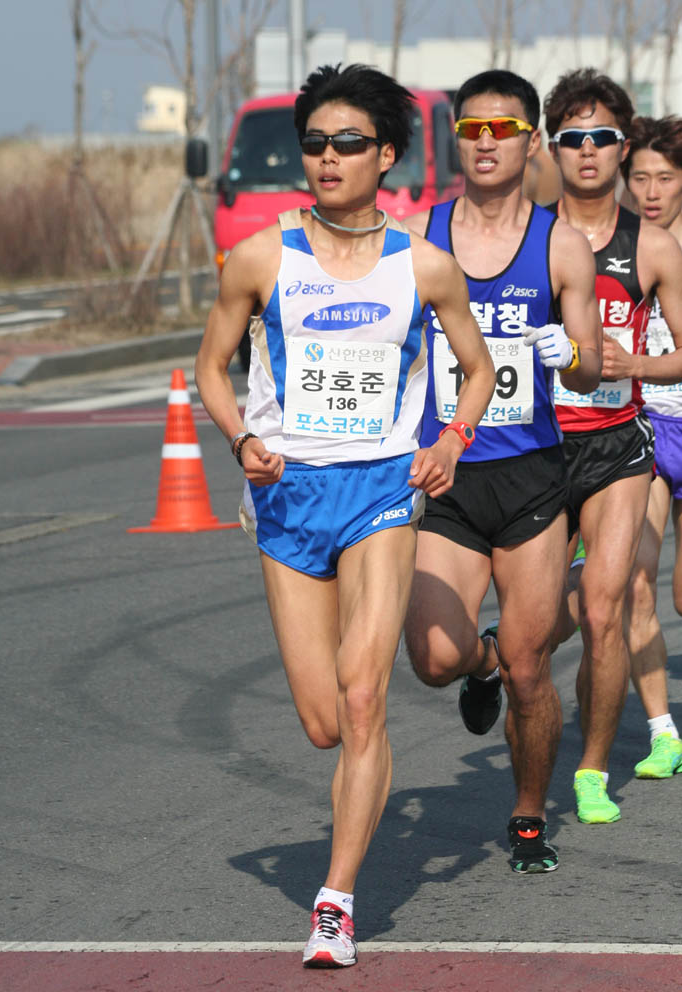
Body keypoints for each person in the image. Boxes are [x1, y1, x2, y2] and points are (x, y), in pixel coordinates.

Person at [194, 63, 495, 968]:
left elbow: (475, 370)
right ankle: (476, 659)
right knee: (323, 721)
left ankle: (335, 901)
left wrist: (450, 441)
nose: (326, 159)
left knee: (365, 701)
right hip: (288, 498)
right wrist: (240, 436)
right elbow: (212, 366)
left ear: (387, 156)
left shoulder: (425, 265)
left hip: (380, 494)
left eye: (347, 144)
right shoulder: (262, 258)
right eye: (314, 144)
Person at [403, 69, 602, 875]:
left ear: (530, 142)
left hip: (530, 478)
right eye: (472, 130)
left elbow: (590, 372)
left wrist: (574, 353)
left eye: (503, 130)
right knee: (434, 660)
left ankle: (526, 815)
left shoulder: (561, 244)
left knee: (532, 668)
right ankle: (476, 664)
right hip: (450, 477)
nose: (486, 144)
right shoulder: (421, 236)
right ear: (457, 139)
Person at [544, 70, 682, 822]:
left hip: (622, 442)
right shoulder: (529, 238)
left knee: (617, 599)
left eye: (602, 137)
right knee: (546, 623)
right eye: (574, 138)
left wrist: (638, 364)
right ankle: (495, 660)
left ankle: (594, 770)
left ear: (620, 145)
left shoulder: (652, 246)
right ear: (553, 147)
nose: (589, 150)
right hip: (536, 449)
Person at [621, 116, 682, 778]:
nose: (651, 190)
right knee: (634, 581)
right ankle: (664, 732)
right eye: (639, 177)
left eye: (665, 177)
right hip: (644, 429)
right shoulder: (616, 249)